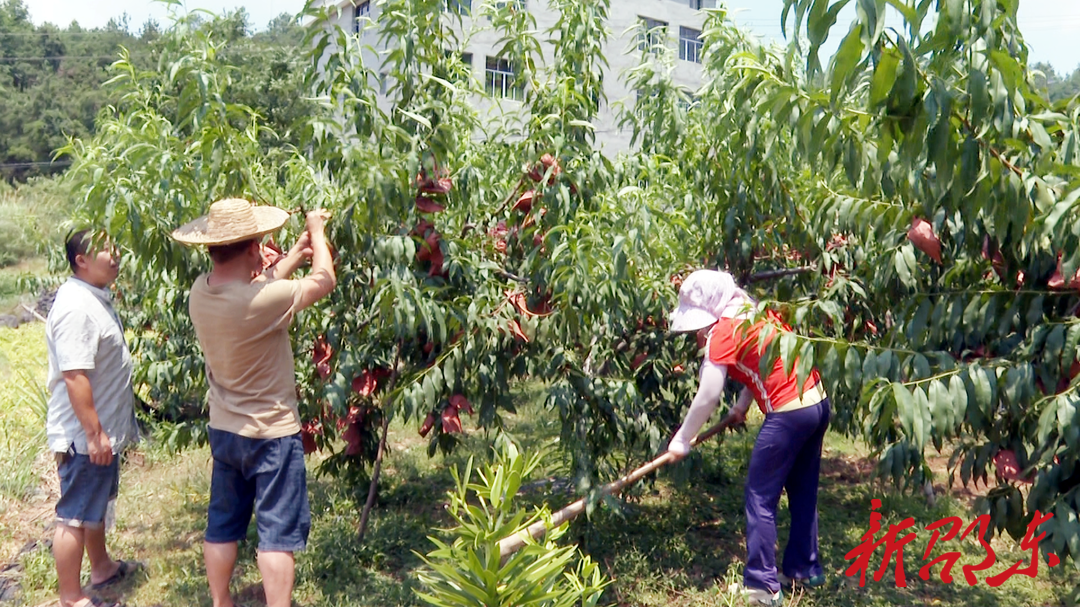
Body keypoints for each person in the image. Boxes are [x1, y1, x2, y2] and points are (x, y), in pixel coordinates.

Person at [171, 199, 336, 607]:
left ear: (212, 248)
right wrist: (316, 231)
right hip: (272, 435)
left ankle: (220, 601)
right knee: (276, 535)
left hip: (226, 431)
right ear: (252, 248)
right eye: (260, 245)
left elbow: (258, 289)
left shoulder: (200, 292)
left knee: (222, 525)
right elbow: (325, 280)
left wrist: (294, 255)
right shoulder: (259, 301)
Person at [667, 270, 830, 607]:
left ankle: (762, 586)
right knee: (802, 489)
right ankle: (804, 568)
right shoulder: (754, 310)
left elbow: (708, 393)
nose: (697, 334)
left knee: (759, 497)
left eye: (697, 327)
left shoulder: (722, 332)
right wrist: (742, 406)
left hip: (788, 412)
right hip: (816, 401)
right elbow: (766, 360)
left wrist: (682, 439)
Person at [46, 230, 141, 607]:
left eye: (116, 247)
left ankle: (101, 567)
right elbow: (75, 375)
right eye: (105, 250)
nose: (115, 256)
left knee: (95, 504)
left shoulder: (91, 297)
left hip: (101, 430)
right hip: (84, 434)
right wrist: (94, 433)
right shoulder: (75, 307)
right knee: (75, 513)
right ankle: (70, 597)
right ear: (81, 260)